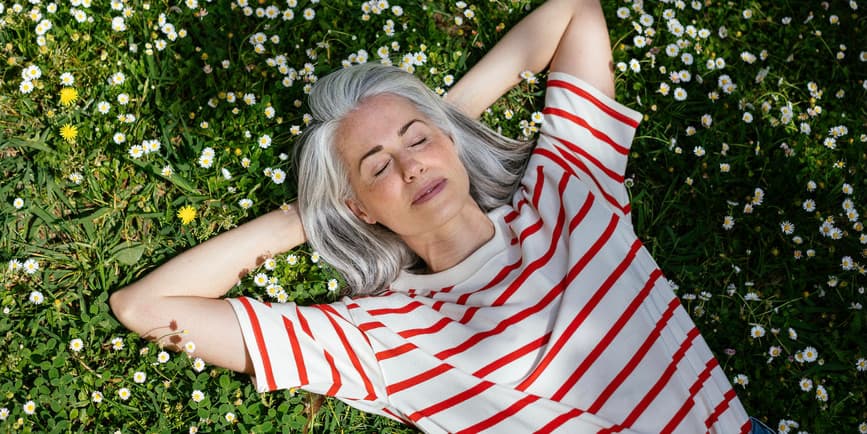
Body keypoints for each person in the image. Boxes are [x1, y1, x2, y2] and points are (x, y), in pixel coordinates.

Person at [110, 0, 762, 432]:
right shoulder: (379, 339)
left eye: (417, 140)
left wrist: (442, 119)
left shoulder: (568, 189)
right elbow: (147, 306)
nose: (411, 167)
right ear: (358, 207)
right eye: (375, 166)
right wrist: (304, 216)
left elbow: (575, 13)